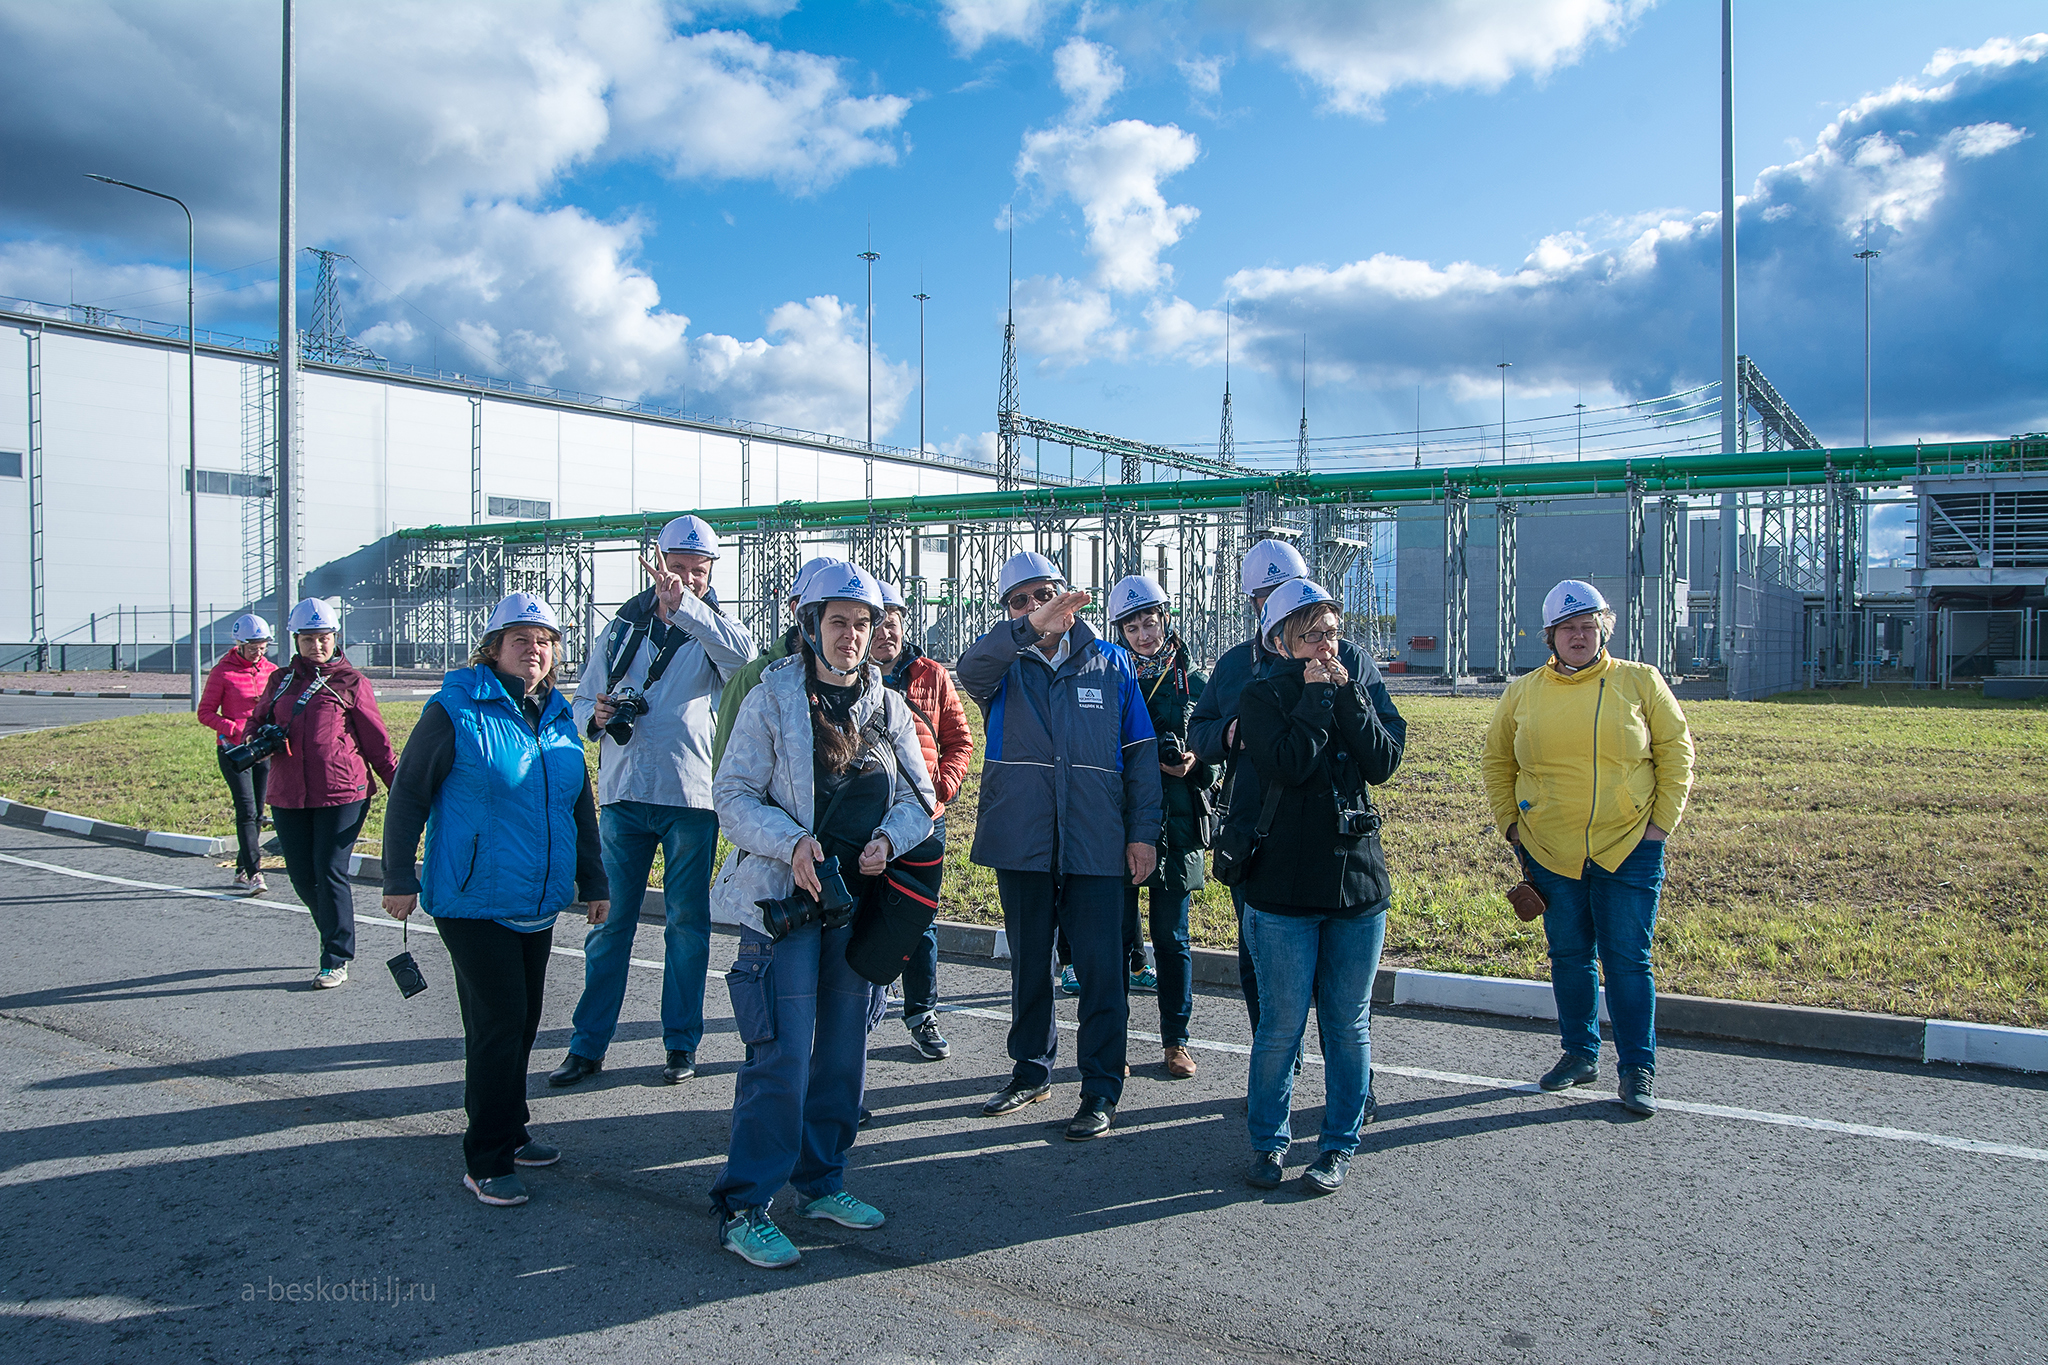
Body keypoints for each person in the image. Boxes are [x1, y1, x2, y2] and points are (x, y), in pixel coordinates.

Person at [708, 563, 935, 1268]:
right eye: (838, 621)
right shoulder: (773, 695)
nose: (852, 635)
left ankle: (822, 1181)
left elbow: (922, 799)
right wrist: (794, 842)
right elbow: (733, 795)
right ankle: (746, 1204)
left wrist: (888, 840)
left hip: (853, 906)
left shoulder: (887, 705)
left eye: (863, 623)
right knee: (781, 1057)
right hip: (785, 905)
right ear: (809, 624)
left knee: (843, 1051)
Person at [381, 593, 609, 1207]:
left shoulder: (558, 715)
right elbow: (408, 797)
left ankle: (511, 1127)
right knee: (499, 1023)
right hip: (471, 897)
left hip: (535, 898)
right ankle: (485, 1156)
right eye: (520, 639)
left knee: (525, 1019)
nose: (533, 650)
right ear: (493, 647)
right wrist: (398, 876)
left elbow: (577, 804)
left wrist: (595, 881)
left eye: (544, 640)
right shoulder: (455, 709)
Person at [957, 550, 1162, 1141]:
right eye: (1019, 601)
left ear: (1065, 594)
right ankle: (1030, 1070)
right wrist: (1027, 631)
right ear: (1010, 612)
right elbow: (967, 672)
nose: (1034, 607)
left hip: (1096, 841)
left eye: (1043, 594)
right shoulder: (1002, 665)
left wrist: (1143, 834)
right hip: (1022, 839)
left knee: (1102, 970)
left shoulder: (1113, 663)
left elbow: (1140, 758)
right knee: (1030, 965)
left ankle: (1100, 1087)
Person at [554, 514, 757, 1088]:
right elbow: (580, 698)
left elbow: (743, 666)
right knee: (609, 925)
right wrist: (593, 716)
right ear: (657, 561)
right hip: (623, 795)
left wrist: (690, 608)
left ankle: (680, 1044)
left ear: (713, 572)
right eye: (678, 568)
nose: (687, 579)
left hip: (690, 798)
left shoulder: (717, 626)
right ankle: (587, 1044)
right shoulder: (620, 628)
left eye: (700, 570)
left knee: (686, 926)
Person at [1481, 579, 1694, 1117]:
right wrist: (1512, 827)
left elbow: (1676, 754)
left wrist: (1659, 829)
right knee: (1570, 956)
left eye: (1588, 626)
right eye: (1568, 629)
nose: (1579, 636)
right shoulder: (1523, 692)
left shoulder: (1640, 682)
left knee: (1627, 959)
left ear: (1604, 629)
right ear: (1549, 637)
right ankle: (1578, 1054)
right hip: (1549, 850)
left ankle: (1637, 1068)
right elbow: (1497, 762)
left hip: (1629, 848)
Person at [1189, 541, 1408, 1039]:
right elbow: (1198, 731)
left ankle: (1354, 1082)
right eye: (1267, 595)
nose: (1279, 604)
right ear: (1253, 604)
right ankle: (1274, 1071)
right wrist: (1230, 733)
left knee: (1343, 987)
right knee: (1260, 966)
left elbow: (1387, 739)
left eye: (1289, 591)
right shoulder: (1234, 666)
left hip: (1335, 839)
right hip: (1257, 834)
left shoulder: (1348, 659)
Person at [1230, 579, 1405, 1196]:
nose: (1327, 646)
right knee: (1280, 1026)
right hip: (1281, 888)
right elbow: (1287, 764)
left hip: (1357, 887)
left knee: (1347, 1023)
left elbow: (1383, 762)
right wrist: (1312, 700)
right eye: (1311, 635)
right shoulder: (1261, 695)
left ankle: (1338, 1144)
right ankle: (1268, 1143)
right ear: (1280, 641)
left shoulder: (1355, 687)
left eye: (1333, 632)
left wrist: (1347, 699)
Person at [254, 597, 397, 988]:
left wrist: (401, 791)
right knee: (301, 875)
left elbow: (377, 742)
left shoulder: (351, 682)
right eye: (309, 639)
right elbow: (257, 721)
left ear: (336, 638)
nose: (317, 646)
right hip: (288, 793)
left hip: (342, 791)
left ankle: (335, 956)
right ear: (296, 640)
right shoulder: (279, 680)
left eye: (324, 638)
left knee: (329, 869)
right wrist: (259, 738)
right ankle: (334, 930)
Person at [1106, 575, 1212, 1079]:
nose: (1144, 634)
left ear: (1165, 621)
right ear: (1120, 631)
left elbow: (1220, 748)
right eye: (1132, 626)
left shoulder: (1194, 679)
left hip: (1180, 824)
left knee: (1172, 937)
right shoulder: (1110, 677)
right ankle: (1116, 1042)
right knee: (1120, 936)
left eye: (1150, 622)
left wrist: (1198, 765)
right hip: (1122, 822)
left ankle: (1176, 1041)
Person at [870, 578, 974, 1061]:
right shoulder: (848, 678)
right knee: (861, 913)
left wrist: (942, 790)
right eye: (878, 624)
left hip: (924, 818)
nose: (886, 634)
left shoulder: (931, 675)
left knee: (921, 917)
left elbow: (959, 741)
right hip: (865, 820)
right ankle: (860, 1016)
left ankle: (921, 1013)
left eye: (893, 624)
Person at [711, 555, 843, 772]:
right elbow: (728, 775)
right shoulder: (753, 679)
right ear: (796, 609)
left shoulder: (869, 681)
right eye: (821, 608)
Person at [199, 612, 279, 893]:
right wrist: (231, 728)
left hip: (262, 749)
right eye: (253, 647)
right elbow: (205, 712)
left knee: (258, 812)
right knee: (245, 810)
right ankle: (256, 873)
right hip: (234, 750)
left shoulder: (271, 670)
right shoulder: (223, 672)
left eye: (263, 646)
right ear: (240, 645)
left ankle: (241, 870)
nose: (258, 652)